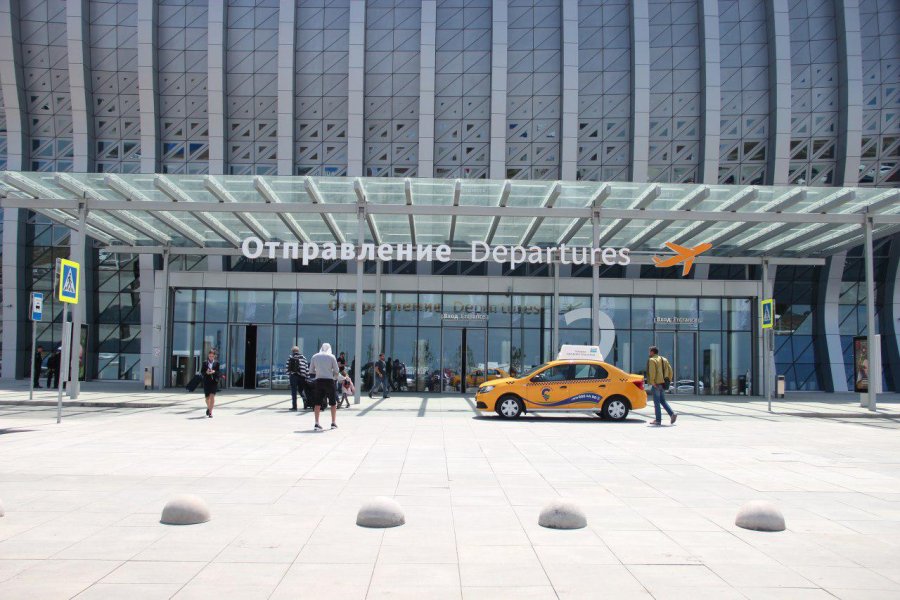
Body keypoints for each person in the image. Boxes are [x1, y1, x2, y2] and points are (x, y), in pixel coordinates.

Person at [308, 342, 340, 431]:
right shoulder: (332, 357)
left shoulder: (315, 356)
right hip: (329, 381)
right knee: (333, 403)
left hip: (319, 381)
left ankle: (316, 423)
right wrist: (334, 378)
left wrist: (318, 372)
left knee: (317, 403)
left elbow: (311, 371)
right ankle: (333, 423)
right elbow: (336, 370)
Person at [646, 346, 677, 425]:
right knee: (662, 401)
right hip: (663, 384)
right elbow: (670, 371)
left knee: (656, 403)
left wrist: (652, 382)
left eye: (650, 351)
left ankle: (658, 420)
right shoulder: (664, 359)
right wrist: (668, 380)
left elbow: (652, 372)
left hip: (656, 384)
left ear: (652, 352)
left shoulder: (652, 360)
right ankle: (672, 414)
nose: (649, 353)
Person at [285, 346, 309, 411]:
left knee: (294, 392)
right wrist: (307, 376)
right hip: (302, 377)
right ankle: (305, 401)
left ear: (292, 351)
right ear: (298, 351)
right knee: (301, 390)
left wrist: (289, 375)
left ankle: (294, 407)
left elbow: (287, 367)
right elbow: (306, 367)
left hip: (293, 376)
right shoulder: (303, 357)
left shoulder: (290, 357)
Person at [202, 349, 221, 418]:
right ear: (208, 356)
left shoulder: (217, 363)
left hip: (214, 382)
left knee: (212, 397)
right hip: (206, 382)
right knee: (207, 398)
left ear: (214, 356)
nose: (211, 357)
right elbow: (202, 372)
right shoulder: (205, 363)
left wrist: (214, 371)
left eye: (212, 356)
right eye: (210, 356)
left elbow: (218, 372)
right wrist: (206, 372)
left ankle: (210, 412)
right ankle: (208, 407)